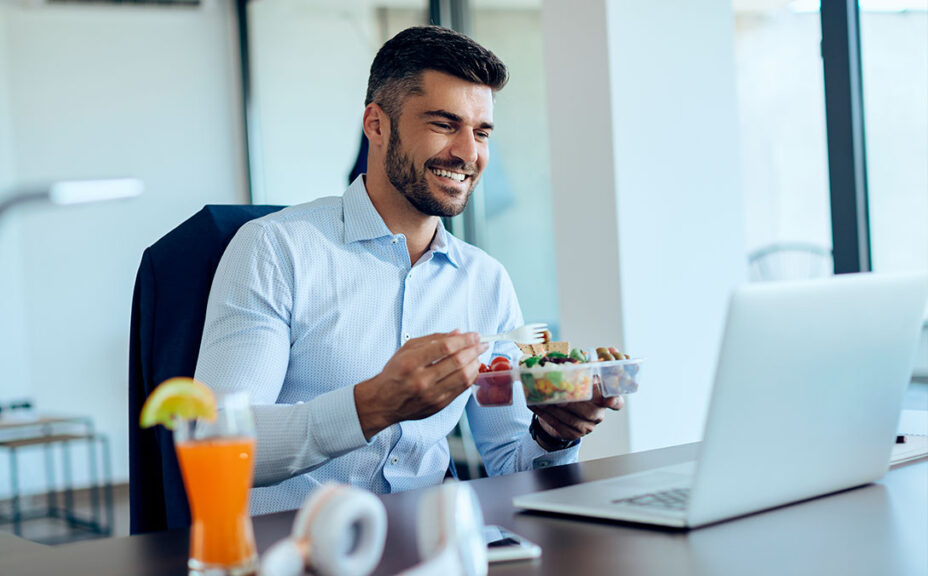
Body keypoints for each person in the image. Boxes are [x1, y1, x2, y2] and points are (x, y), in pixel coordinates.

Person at [195, 25, 623, 515]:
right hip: (299, 552)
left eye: (481, 132)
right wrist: (372, 404)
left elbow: (510, 465)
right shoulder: (274, 249)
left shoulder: (486, 281)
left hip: (435, 547)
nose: (469, 153)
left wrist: (550, 434)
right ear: (376, 125)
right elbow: (218, 444)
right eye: (444, 124)